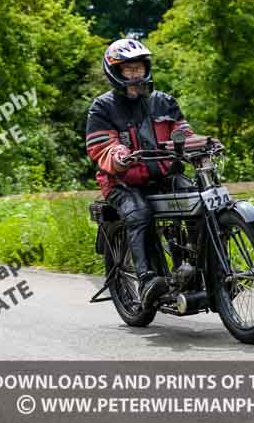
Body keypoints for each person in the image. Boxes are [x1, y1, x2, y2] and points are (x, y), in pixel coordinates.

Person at [85, 38, 193, 310]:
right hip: (122, 182)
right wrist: (120, 156)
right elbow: (101, 147)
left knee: (197, 201)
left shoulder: (164, 102)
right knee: (139, 213)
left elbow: (185, 136)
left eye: (139, 69)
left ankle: (196, 265)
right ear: (115, 71)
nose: (135, 75)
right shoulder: (103, 107)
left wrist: (203, 145)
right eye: (128, 70)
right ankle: (146, 280)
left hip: (165, 176)